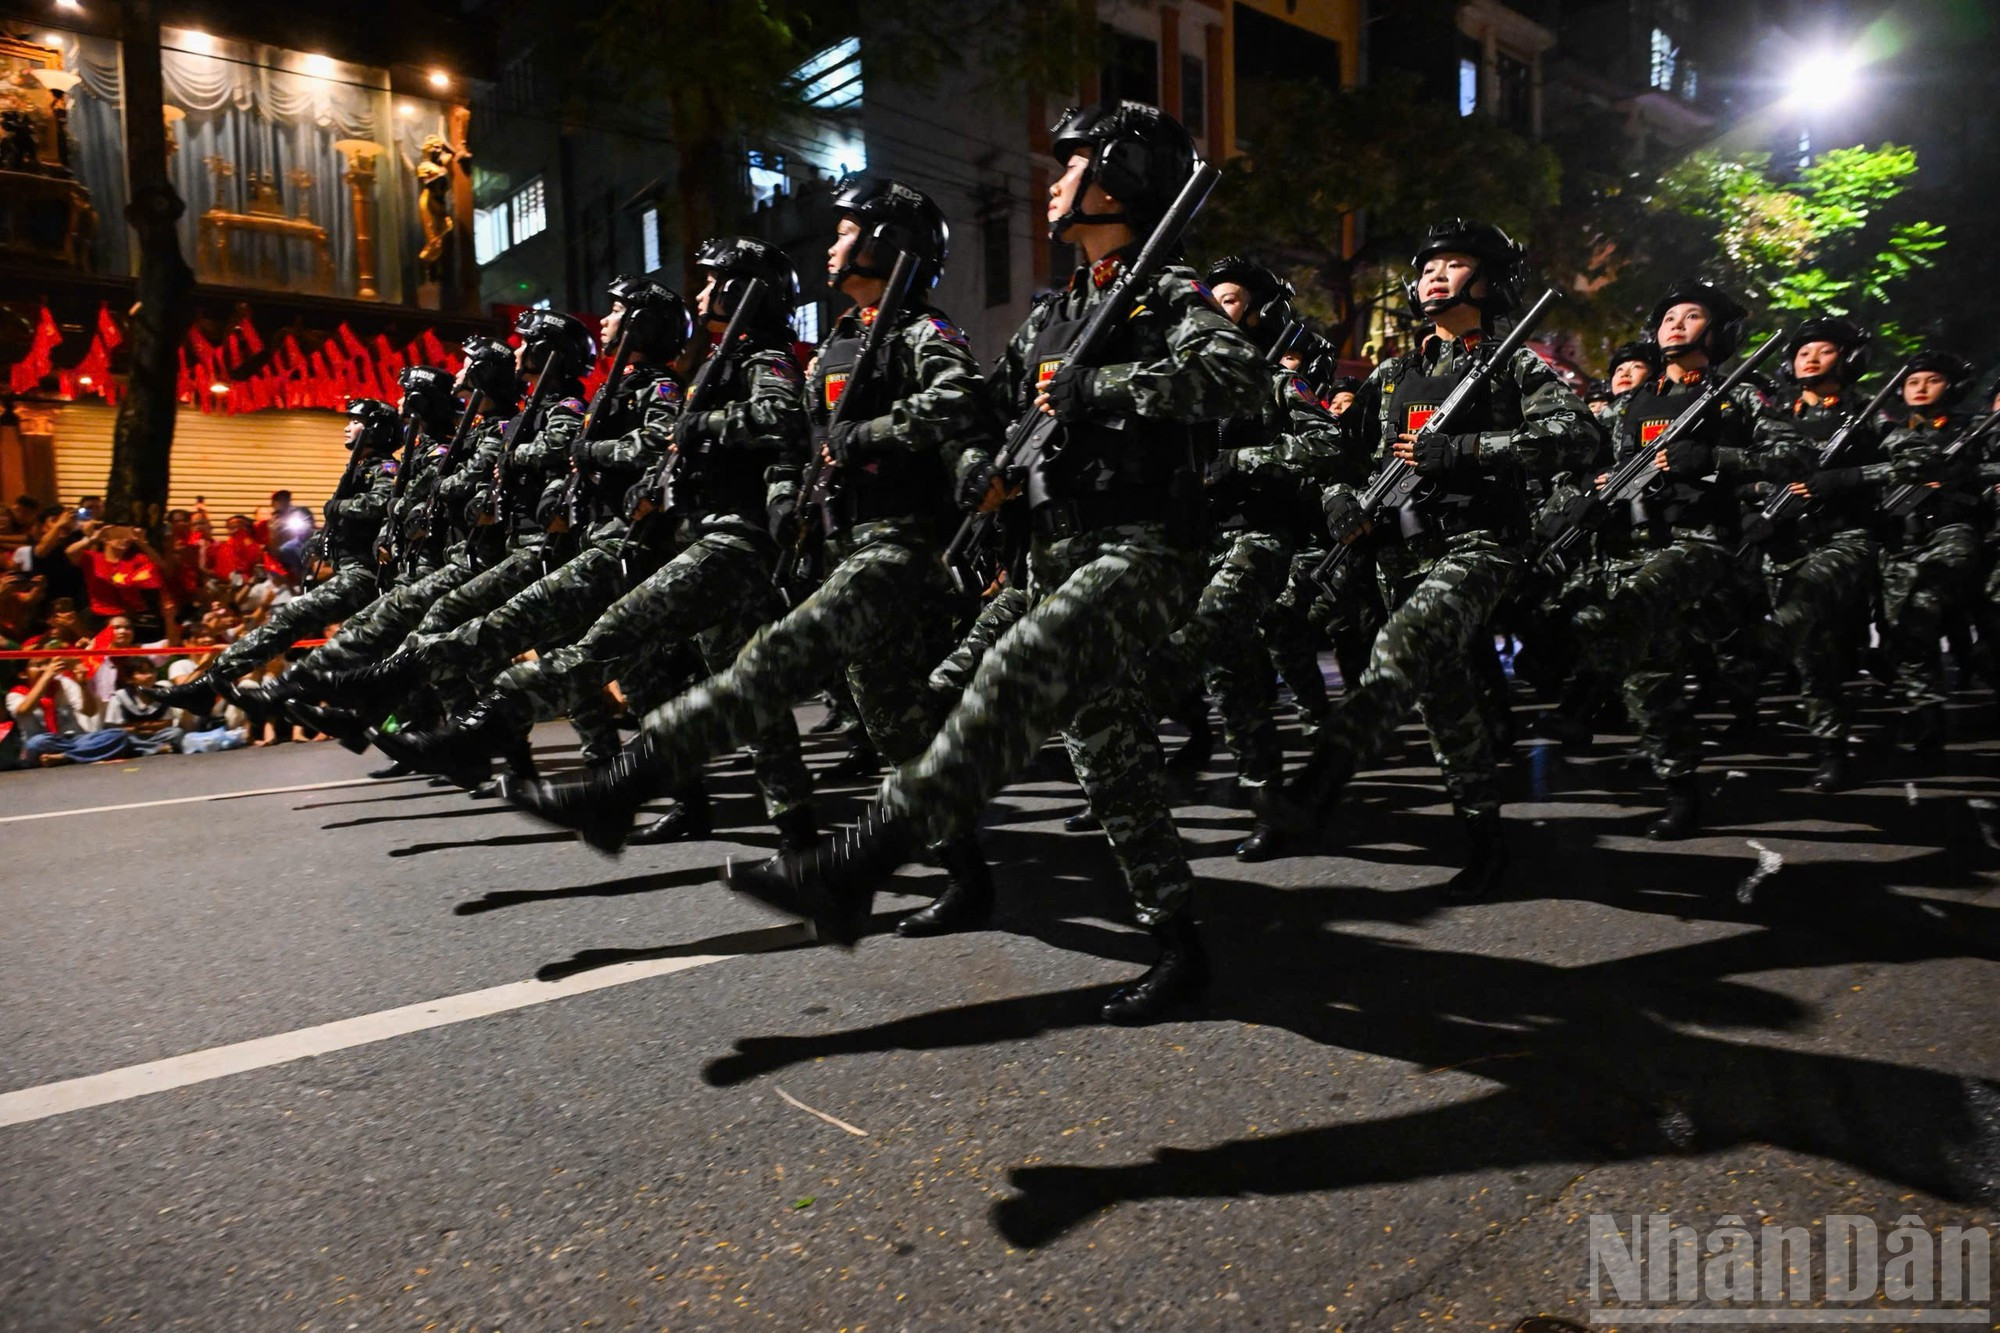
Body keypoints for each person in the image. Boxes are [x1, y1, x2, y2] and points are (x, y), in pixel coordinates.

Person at [536, 101, 1266, 1027]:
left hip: (1141, 549)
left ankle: (853, 864)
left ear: (1118, 179)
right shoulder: (1062, 312)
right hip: (1055, 550)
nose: (1053, 182)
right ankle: (1180, 945)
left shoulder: (1166, 294)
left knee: (1009, 672)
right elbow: (987, 421)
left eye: (1071, 164)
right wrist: (988, 474)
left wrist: (1104, 386)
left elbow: (1239, 379)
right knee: (1106, 755)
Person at [1260, 218, 1603, 899]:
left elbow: (1578, 434)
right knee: (1446, 703)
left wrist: (1472, 451)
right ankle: (1487, 842)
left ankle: (1321, 778)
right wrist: (1339, 499)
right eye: (1426, 267)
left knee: (1400, 648)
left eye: (1452, 264)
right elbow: (1341, 452)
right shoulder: (1395, 373)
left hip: (1478, 543)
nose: (1433, 276)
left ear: (1486, 280)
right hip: (1399, 555)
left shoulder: (1513, 363)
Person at [150, 399, 400, 712]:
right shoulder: (358, 469)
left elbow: (381, 504)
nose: (347, 426)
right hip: (350, 571)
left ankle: (216, 685)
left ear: (375, 429)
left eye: (355, 420)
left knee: (294, 620)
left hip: (368, 575)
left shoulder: (385, 467)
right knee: (356, 648)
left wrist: (336, 508)